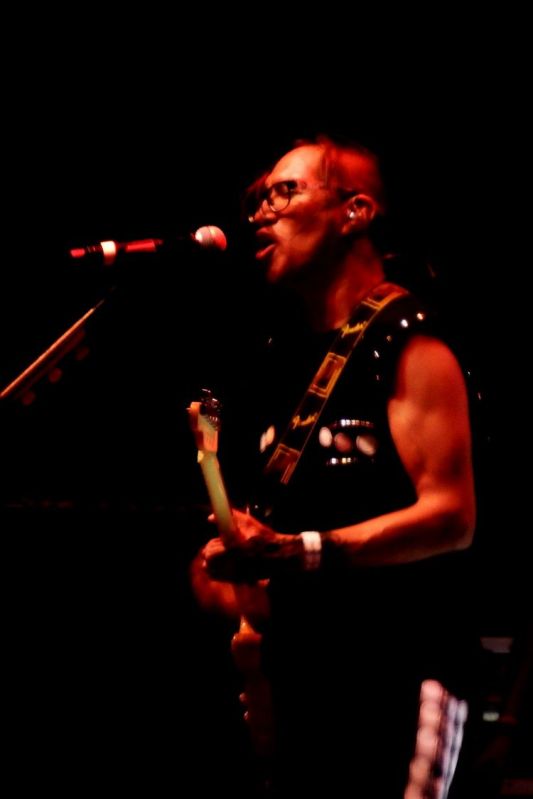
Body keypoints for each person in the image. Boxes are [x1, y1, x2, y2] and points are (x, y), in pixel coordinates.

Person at [190, 133, 483, 798]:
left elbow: (453, 517)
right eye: (258, 199)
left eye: (284, 193)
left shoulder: (410, 339)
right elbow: (266, 537)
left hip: (401, 680)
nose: (260, 214)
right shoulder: (279, 359)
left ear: (355, 211)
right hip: (306, 690)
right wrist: (226, 566)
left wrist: (301, 550)